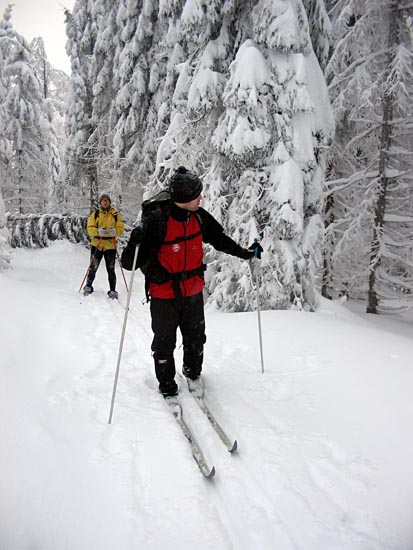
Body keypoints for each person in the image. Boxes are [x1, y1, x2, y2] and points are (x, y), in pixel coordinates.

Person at [121, 166, 261, 397]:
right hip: (163, 295)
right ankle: (167, 385)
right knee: (164, 343)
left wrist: (246, 253)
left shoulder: (199, 217)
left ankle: (193, 374)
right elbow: (129, 263)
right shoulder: (157, 222)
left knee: (196, 339)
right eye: (197, 194)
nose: (201, 198)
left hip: (193, 293)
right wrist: (135, 240)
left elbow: (219, 240)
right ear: (185, 197)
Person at [83, 193, 125, 299]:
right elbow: (90, 228)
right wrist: (98, 231)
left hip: (110, 245)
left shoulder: (115, 214)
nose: (105, 202)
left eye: (107, 200)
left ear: (109, 202)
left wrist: (114, 231)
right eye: (103, 200)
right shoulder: (95, 214)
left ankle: (112, 290)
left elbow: (121, 229)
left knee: (111, 269)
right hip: (97, 244)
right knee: (93, 267)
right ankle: (88, 286)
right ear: (100, 202)